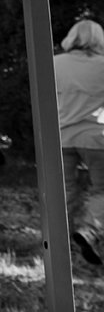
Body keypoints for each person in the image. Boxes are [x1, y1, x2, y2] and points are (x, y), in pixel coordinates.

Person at [53, 19, 104, 266]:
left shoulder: (54, 63)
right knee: (101, 190)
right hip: (96, 137)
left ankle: (59, 241)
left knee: (66, 190)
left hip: (61, 136)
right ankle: (89, 231)